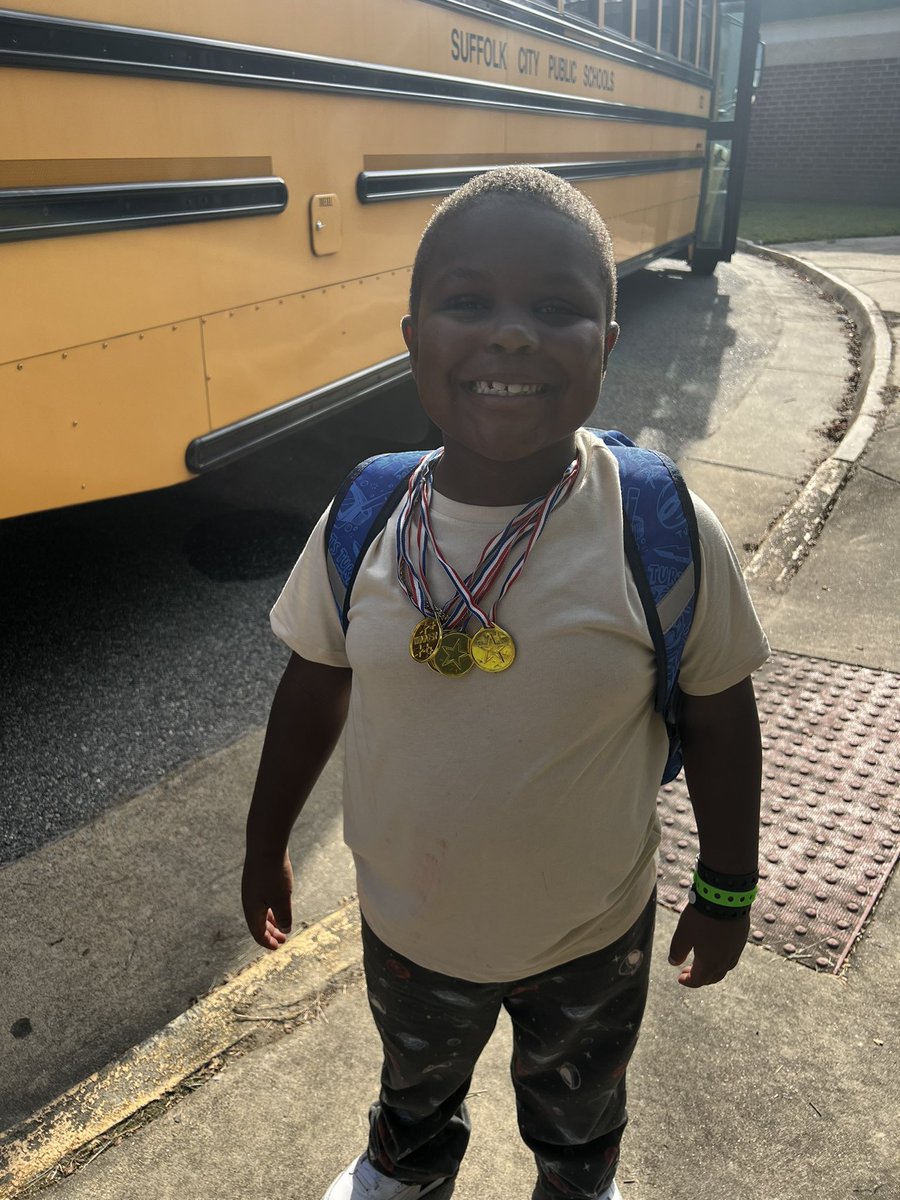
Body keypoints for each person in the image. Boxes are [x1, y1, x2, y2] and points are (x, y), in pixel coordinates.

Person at [242, 166, 769, 1200]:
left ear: (606, 345)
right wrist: (265, 845)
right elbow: (313, 683)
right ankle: (405, 1170)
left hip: (591, 939)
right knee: (415, 1086)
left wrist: (726, 889)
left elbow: (720, 716)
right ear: (414, 339)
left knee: (579, 1113)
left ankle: (576, 1184)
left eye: (558, 308)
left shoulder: (657, 525)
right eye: (469, 301)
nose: (514, 335)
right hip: (410, 929)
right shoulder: (366, 516)